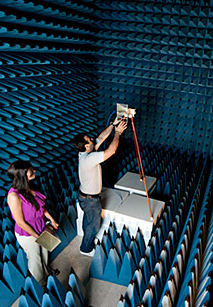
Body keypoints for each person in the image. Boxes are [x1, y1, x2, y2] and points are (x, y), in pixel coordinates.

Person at [71, 117, 128, 256]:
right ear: (86, 146)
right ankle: (86, 248)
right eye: (89, 140)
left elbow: (101, 137)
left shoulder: (86, 153)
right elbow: (111, 151)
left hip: (86, 197)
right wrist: (117, 133)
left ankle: (86, 239)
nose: (92, 139)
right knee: (94, 224)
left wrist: (112, 125)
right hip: (91, 200)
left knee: (88, 220)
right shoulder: (88, 159)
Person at [7, 160, 59, 285]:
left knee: (45, 253)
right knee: (35, 260)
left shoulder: (28, 186)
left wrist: (51, 219)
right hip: (28, 234)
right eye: (31, 170)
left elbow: (40, 207)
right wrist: (37, 236)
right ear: (22, 174)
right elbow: (20, 222)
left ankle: (47, 273)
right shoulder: (13, 196)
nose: (34, 171)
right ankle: (40, 285)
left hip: (41, 227)